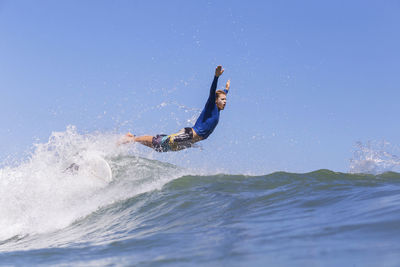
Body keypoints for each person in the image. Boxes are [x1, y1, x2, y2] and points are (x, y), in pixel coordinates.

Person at [121, 65, 230, 152]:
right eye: (223, 100)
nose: (225, 102)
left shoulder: (218, 109)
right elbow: (212, 92)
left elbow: (222, 94)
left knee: (160, 148)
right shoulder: (211, 106)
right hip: (189, 135)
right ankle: (130, 139)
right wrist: (216, 77)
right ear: (216, 100)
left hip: (189, 141)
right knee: (159, 142)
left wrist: (226, 89)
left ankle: (133, 137)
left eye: (226, 100)